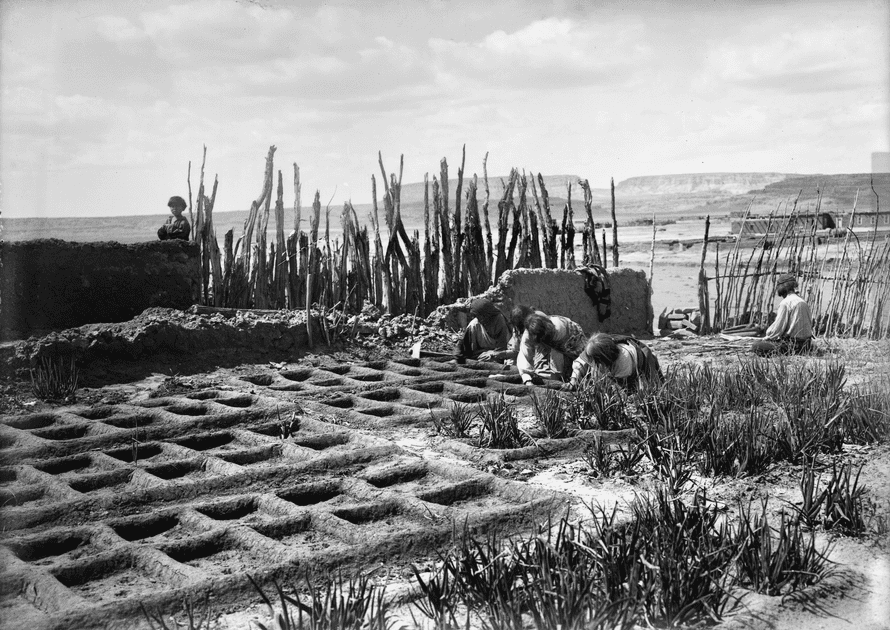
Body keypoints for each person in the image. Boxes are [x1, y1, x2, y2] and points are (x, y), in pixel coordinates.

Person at [566, 332, 663, 392]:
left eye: (596, 361)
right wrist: (574, 379)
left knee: (650, 386)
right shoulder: (591, 351)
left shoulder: (623, 359)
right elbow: (579, 363)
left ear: (603, 358)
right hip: (609, 368)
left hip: (634, 367)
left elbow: (621, 385)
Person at [515, 310, 587, 386]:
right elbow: (524, 356)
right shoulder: (528, 336)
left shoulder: (559, 328)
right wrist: (527, 379)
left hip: (571, 339)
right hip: (550, 343)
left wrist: (574, 377)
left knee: (570, 370)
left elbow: (580, 356)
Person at [751, 273, 813, 356]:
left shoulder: (785, 303)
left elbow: (777, 330)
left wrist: (767, 337)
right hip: (807, 345)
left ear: (782, 288)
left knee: (756, 346)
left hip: (793, 346)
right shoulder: (802, 301)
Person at [453, 299, 512, 363]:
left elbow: (502, 346)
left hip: (498, 354)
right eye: (477, 316)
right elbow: (464, 344)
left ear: (487, 314)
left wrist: (493, 354)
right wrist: (459, 352)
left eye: (481, 316)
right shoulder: (474, 325)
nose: (479, 318)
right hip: (480, 354)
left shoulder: (499, 321)